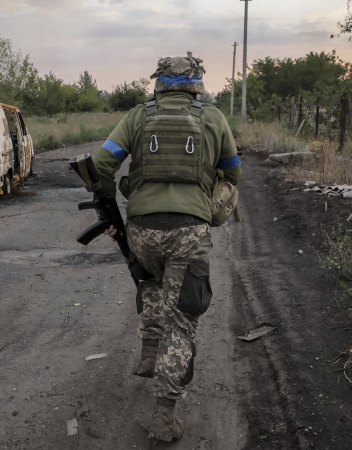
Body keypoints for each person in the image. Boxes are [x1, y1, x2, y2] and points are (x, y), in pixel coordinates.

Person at [92, 52, 242, 441]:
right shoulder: (213, 117)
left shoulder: (138, 116)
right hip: (189, 232)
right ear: (197, 83)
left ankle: (148, 354)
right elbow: (234, 172)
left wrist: (110, 210)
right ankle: (164, 414)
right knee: (183, 319)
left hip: (142, 229)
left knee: (152, 282)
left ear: (158, 82)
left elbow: (101, 163)